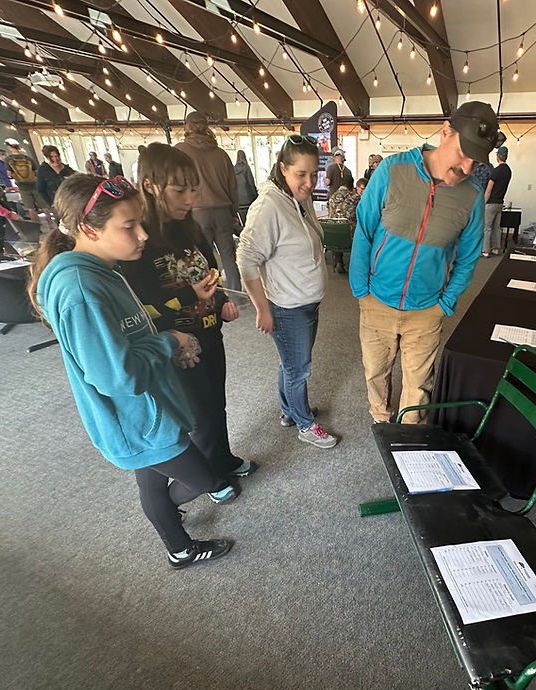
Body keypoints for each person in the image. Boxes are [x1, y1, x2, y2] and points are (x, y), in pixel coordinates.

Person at [30, 174, 235, 569]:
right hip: (137, 418)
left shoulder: (103, 270)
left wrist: (168, 348)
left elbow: (126, 339)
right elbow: (118, 376)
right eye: (129, 226)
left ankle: (178, 548)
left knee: (152, 481)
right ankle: (168, 521)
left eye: (140, 222)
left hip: (146, 412)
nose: (143, 235)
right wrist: (169, 341)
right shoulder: (81, 289)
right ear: (90, 229)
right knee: (204, 480)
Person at [350, 101, 503, 424]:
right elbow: (364, 230)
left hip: (427, 309)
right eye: (463, 153)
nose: (467, 166)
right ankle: (380, 420)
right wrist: (361, 289)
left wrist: (446, 303)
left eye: (476, 161)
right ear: (446, 132)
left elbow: (469, 256)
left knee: (418, 388)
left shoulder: (473, 195)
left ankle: (408, 437)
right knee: (375, 372)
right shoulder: (392, 171)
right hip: (377, 300)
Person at [122, 142, 255, 483]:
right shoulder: (141, 238)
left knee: (216, 404)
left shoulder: (190, 227)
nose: (190, 199)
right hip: (177, 342)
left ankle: (222, 459)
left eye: (193, 190)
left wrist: (221, 301)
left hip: (209, 331)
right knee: (198, 415)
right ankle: (210, 478)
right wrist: (190, 293)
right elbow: (141, 300)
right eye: (180, 190)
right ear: (151, 186)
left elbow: (208, 272)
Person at [237, 134, 339, 449]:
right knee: (298, 369)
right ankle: (304, 424)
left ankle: (289, 410)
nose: (309, 182)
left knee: (290, 363)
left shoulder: (296, 196)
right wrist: (262, 308)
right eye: (301, 174)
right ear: (283, 168)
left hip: (304, 301)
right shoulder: (269, 206)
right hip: (287, 306)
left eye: (313, 174)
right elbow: (246, 259)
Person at [175, 111, 241, 293]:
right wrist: (233, 213)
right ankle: (236, 295)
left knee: (203, 258)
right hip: (223, 211)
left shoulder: (180, 151)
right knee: (229, 257)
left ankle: (212, 295)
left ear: (187, 126)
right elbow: (233, 187)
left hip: (196, 212)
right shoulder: (221, 154)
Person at [326, 178, 366, 274]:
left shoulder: (332, 197)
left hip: (331, 236)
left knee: (338, 228)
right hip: (349, 236)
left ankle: (339, 261)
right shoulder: (356, 198)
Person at [5, 138, 46, 224]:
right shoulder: (28, 158)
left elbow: (9, 174)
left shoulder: (9, 160)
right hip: (34, 184)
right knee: (44, 207)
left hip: (22, 186)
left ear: (9, 147)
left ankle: (37, 226)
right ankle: (51, 225)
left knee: (30, 208)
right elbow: (36, 171)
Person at [482, 146, 512, 257]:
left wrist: (483, 203)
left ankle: (485, 251)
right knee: (497, 227)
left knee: (487, 227)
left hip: (491, 203)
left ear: (498, 156)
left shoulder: (495, 171)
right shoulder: (508, 171)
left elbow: (488, 190)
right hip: (500, 202)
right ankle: (496, 249)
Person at [36, 145, 75, 219]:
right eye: (52, 157)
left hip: (71, 202)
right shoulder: (43, 170)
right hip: (56, 204)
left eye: (56, 156)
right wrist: (51, 203)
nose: (55, 159)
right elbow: (41, 190)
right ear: (47, 158)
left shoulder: (66, 169)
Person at [234, 149, 257, 224]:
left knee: (242, 222)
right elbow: (251, 183)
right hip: (248, 200)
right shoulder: (246, 168)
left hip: (239, 201)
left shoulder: (233, 169)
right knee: (251, 222)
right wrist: (256, 196)